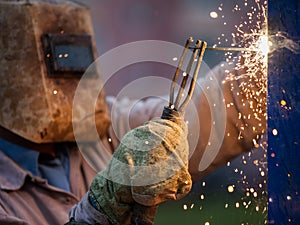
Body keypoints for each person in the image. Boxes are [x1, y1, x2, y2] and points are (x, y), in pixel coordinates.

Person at [0, 0, 266, 225]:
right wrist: (98, 210)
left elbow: (204, 118)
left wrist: (263, 74)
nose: (70, 84)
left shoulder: (98, 127)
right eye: (57, 66)